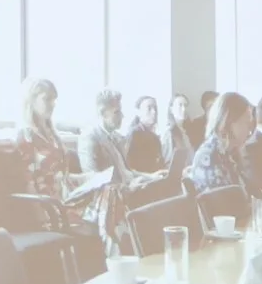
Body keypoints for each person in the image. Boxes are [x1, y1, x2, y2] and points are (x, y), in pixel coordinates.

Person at [79, 88, 165, 245]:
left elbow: (126, 171)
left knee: (162, 189)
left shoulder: (116, 138)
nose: (122, 116)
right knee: (154, 204)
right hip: (109, 199)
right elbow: (92, 180)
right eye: (116, 112)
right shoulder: (89, 137)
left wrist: (150, 177)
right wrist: (127, 189)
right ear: (102, 113)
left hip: (127, 191)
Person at [187, 90, 256, 201]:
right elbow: (226, 208)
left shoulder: (227, 152)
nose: (250, 131)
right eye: (246, 122)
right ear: (228, 121)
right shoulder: (209, 156)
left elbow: (248, 195)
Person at [125, 95, 166, 175]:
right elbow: (129, 168)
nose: (154, 112)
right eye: (149, 108)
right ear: (138, 112)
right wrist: (151, 176)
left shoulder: (155, 137)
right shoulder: (134, 135)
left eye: (155, 109)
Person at [165, 93, 202, 180]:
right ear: (171, 109)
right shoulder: (169, 133)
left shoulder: (188, 131)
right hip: (179, 178)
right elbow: (167, 163)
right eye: (180, 105)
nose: (184, 109)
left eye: (185, 105)